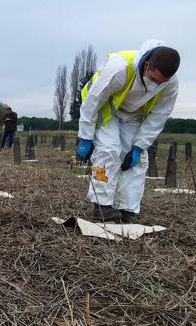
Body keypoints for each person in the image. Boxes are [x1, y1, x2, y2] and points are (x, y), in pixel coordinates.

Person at [76, 40, 180, 221]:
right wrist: (85, 136)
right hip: (105, 108)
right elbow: (93, 100)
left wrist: (139, 147)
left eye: (161, 83)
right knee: (108, 150)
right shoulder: (120, 67)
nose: (156, 86)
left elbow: (158, 117)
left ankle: (126, 209)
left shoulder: (170, 84)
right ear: (147, 65)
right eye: (153, 80)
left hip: (132, 115)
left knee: (137, 161)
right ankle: (102, 207)